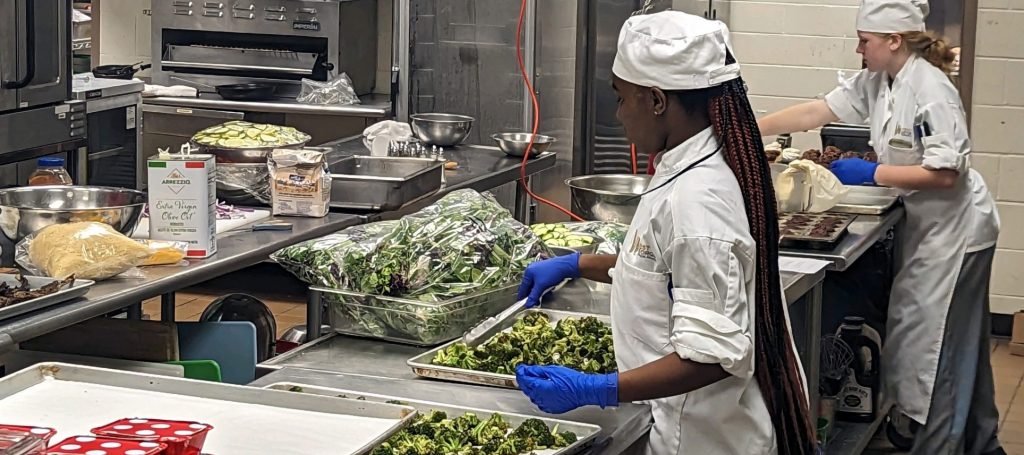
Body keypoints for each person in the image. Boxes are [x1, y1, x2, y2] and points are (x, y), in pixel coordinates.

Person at [515, 11, 816, 454]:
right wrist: (579, 263)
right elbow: (666, 271)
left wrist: (598, 388)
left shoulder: (699, 199)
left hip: (704, 439)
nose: (618, 114)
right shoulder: (693, 162)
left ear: (657, 100)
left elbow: (712, 356)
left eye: (621, 98)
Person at [757, 0, 1003, 453]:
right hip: (930, 229)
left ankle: (940, 446)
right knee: (957, 344)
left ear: (894, 40)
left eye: (865, 41)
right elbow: (818, 112)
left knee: (939, 352)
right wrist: (753, 129)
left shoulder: (931, 90)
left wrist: (872, 174)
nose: (858, 49)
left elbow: (947, 173)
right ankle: (983, 442)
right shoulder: (881, 80)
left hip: (957, 235)